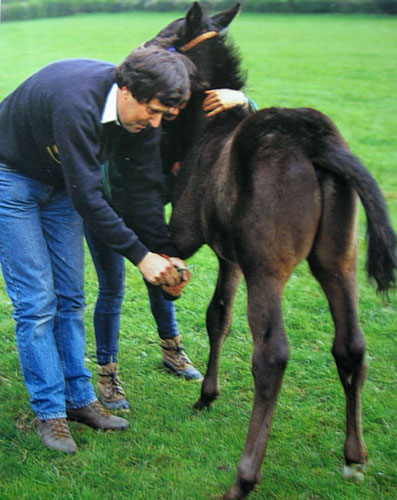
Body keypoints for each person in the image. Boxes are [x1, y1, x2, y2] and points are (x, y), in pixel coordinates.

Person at [0, 47, 193, 453]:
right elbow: (89, 196)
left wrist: (165, 251)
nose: (155, 123)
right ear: (126, 90)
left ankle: (79, 400)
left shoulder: (145, 119)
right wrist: (142, 257)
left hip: (60, 185)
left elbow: (142, 189)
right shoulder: (77, 102)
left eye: (164, 115)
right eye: (153, 111)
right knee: (37, 301)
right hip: (11, 176)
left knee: (71, 296)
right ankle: (49, 412)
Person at [86, 86, 257, 410]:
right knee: (111, 288)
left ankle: (171, 348)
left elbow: (240, 133)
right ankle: (107, 372)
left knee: (162, 271)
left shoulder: (168, 116)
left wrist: (245, 101)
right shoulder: (125, 126)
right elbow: (104, 184)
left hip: (147, 211)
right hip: (105, 210)